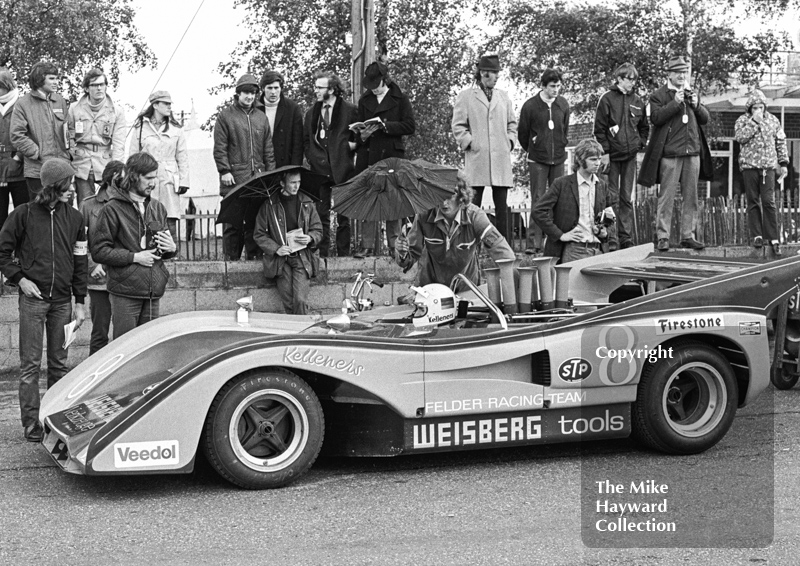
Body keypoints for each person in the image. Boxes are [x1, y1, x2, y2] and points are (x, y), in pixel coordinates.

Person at [0, 158, 87, 442]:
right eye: (67, 184)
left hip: (63, 302)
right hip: (34, 301)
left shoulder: (75, 218)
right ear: (52, 186)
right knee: (30, 365)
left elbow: (80, 261)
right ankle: (30, 422)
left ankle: (56, 419)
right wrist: (20, 279)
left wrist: (80, 302)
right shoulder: (23, 214)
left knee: (60, 365)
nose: (71, 189)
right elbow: (2, 253)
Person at [91, 152, 177, 338]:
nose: (153, 183)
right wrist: (135, 257)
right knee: (126, 349)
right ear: (133, 176)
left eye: (155, 177)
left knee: (149, 348)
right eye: (148, 178)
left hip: (153, 290)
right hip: (125, 290)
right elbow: (99, 251)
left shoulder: (157, 207)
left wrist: (171, 249)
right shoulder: (111, 209)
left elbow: (161, 250)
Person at [395, 170, 515, 292]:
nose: (443, 202)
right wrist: (401, 252)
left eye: (449, 196)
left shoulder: (476, 216)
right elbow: (409, 258)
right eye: (439, 196)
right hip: (431, 290)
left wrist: (515, 280)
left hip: (467, 289)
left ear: (461, 196)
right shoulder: (423, 216)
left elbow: (500, 249)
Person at [637, 54, 712, 251]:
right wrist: (675, 103)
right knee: (666, 196)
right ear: (669, 74)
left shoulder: (691, 93)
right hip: (670, 154)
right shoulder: (659, 95)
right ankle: (663, 236)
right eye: (677, 72)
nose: (681, 76)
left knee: (691, 197)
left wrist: (697, 105)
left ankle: (688, 235)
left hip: (692, 153)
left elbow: (705, 119)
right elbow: (656, 118)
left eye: (684, 72)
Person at [452, 54, 517, 244]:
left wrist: (510, 142)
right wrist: (470, 142)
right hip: (477, 157)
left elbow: (512, 124)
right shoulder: (466, 97)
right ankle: (471, 245)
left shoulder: (503, 97)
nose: (496, 77)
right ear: (482, 73)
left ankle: (504, 247)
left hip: (500, 158)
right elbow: (458, 126)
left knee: (502, 206)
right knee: (473, 204)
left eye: (498, 73)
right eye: (493, 73)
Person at [354, 61, 416, 258]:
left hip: (391, 155)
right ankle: (367, 245)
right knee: (370, 200)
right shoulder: (364, 100)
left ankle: (394, 246)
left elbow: (409, 126)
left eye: (376, 84)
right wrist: (361, 135)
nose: (372, 89)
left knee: (393, 201)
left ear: (384, 80)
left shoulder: (400, 98)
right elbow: (357, 132)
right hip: (369, 155)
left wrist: (386, 126)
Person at [213, 74, 276, 260]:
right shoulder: (225, 117)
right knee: (233, 224)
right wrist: (224, 170)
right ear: (237, 93)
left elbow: (268, 150)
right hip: (234, 179)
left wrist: (270, 175)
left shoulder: (261, 118)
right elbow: (220, 147)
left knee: (255, 223)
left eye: (253, 93)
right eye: (246, 93)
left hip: (257, 179)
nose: (249, 97)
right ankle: (230, 264)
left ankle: (254, 262)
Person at [532, 139, 616, 264]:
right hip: (573, 250)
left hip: (598, 251)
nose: (597, 163)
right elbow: (538, 211)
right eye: (593, 159)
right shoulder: (561, 184)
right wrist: (560, 235)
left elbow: (612, 216)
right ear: (580, 160)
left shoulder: (602, 186)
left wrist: (606, 233)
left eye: (599, 159)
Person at [593, 63, 649, 250]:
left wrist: (639, 143)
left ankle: (625, 237)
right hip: (612, 157)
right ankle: (611, 236)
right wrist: (605, 153)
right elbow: (599, 129)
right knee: (611, 197)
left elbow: (644, 127)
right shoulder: (607, 99)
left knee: (626, 198)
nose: (632, 83)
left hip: (629, 157)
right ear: (619, 79)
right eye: (629, 79)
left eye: (634, 79)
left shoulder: (638, 101)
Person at [253, 169, 322, 314]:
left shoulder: (307, 203)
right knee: (289, 302)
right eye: (292, 183)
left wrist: (310, 238)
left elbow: (318, 230)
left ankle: (301, 330)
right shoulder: (270, 205)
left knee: (300, 300)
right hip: (281, 260)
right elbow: (259, 234)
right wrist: (276, 248)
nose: (296, 186)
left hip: (301, 257)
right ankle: (296, 331)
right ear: (282, 183)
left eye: (298, 182)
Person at [304, 71, 357, 257]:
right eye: (316, 87)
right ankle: (323, 254)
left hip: (343, 168)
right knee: (321, 214)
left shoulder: (350, 110)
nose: (316, 91)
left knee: (344, 216)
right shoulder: (312, 113)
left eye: (320, 87)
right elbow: (307, 140)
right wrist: (312, 157)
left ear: (332, 89)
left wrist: (351, 146)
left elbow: (359, 135)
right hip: (319, 170)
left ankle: (343, 255)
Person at [519, 68, 570, 255]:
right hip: (537, 160)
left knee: (558, 199)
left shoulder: (563, 104)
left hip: (558, 159)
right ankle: (534, 242)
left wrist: (560, 145)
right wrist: (536, 146)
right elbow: (523, 134)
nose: (556, 89)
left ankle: (555, 239)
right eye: (552, 86)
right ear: (543, 86)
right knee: (539, 199)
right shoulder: (530, 106)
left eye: (558, 86)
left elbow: (565, 131)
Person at [734, 89, 789, 255]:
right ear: (750, 108)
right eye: (755, 107)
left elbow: (781, 141)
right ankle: (757, 235)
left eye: (761, 107)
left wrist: (783, 162)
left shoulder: (773, 121)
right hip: (749, 167)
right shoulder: (743, 120)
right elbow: (740, 138)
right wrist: (754, 122)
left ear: (765, 107)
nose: (758, 110)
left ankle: (773, 238)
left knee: (768, 201)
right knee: (753, 201)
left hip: (768, 167)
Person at [129, 90, 189, 239]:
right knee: (145, 215)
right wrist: (132, 180)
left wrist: (184, 180)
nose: (169, 107)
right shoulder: (140, 127)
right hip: (145, 178)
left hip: (168, 178)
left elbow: (182, 157)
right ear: (155, 105)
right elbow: (133, 155)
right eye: (166, 103)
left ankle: (171, 254)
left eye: (170, 104)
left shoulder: (176, 129)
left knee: (170, 216)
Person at [79, 160, 124, 355]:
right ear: (113, 178)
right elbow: (79, 243)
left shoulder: (129, 203)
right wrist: (91, 265)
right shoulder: (88, 205)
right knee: (99, 334)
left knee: (125, 337)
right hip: (99, 281)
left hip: (123, 277)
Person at [10, 61, 70, 200]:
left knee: (63, 212)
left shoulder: (60, 101)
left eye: (57, 78)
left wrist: (70, 152)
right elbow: (16, 135)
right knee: (39, 213)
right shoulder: (23, 104)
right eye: (52, 78)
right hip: (38, 171)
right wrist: (37, 153)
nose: (56, 82)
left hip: (62, 168)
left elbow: (69, 129)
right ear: (39, 79)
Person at [67, 68, 126, 206]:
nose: (99, 88)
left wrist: (117, 170)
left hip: (105, 163)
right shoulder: (74, 109)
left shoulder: (117, 112)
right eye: (94, 85)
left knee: (108, 204)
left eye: (102, 84)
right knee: (85, 205)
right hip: (81, 163)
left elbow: (119, 144)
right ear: (87, 88)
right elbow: (68, 137)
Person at [259, 69, 304, 168]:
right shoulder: (254, 108)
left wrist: (294, 169)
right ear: (262, 88)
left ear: (281, 88)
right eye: (269, 88)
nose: (273, 92)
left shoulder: (292, 108)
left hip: (285, 165)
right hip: (261, 165)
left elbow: (298, 143)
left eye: (276, 88)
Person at [0, 70, 27, 228]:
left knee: (23, 212)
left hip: (20, 169)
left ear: (6, 86)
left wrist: (18, 157)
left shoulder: (22, 104)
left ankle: (24, 250)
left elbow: (30, 134)